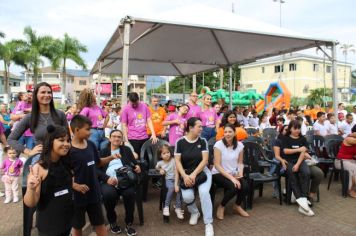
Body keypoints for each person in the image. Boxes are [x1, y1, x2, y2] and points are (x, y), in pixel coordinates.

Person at [24, 125, 73, 236]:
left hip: (67, 222)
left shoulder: (66, 162)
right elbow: (31, 203)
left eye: (68, 140)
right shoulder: (39, 168)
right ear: (50, 141)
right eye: (61, 140)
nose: (66, 144)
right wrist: (31, 188)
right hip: (49, 227)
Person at [69, 115, 108, 236]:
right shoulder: (68, 150)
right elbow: (62, 174)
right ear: (76, 130)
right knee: (77, 226)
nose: (90, 132)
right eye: (87, 129)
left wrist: (111, 157)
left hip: (94, 194)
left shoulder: (91, 145)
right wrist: (74, 185)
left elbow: (98, 162)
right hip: (77, 197)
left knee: (100, 224)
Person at [175, 117, 214, 236]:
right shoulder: (180, 142)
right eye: (199, 126)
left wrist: (193, 174)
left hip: (202, 172)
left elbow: (205, 161)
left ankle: (208, 223)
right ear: (191, 128)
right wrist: (185, 176)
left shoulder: (203, 141)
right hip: (186, 173)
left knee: (203, 193)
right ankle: (195, 212)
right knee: (187, 197)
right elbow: (177, 162)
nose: (202, 129)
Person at [8, 82, 68, 157]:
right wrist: (28, 151)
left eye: (49, 92)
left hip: (60, 159)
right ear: (36, 95)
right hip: (40, 159)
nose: (46, 95)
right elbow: (11, 139)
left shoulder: (60, 114)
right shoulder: (29, 117)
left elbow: (68, 137)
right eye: (43, 92)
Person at [99, 129, 140, 235]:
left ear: (122, 139)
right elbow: (97, 169)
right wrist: (106, 178)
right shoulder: (103, 151)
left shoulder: (126, 150)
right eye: (114, 136)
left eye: (119, 137)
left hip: (124, 180)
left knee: (130, 194)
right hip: (109, 180)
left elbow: (134, 163)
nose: (117, 138)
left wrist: (137, 167)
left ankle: (129, 223)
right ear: (110, 138)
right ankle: (112, 222)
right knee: (108, 195)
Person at [212, 124, 249, 220]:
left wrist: (239, 173)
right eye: (225, 132)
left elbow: (240, 163)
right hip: (218, 173)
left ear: (235, 133)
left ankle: (237, 205)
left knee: (244, 185)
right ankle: (222, 206)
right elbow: (217, 165)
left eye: (230, 132)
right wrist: (232, 178)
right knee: (234, 187)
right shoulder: (218, 145)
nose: (227, 134)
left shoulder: (240, 145)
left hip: (233, 172)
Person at [280, 120, 314, 216]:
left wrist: (298, 164)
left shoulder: (302, 139)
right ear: (290, 128)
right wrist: (299, 149)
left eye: (299, 128)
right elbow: (286, 151)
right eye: (295, 128)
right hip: (288, 161)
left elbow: (303, 153)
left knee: (306, 173)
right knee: (293, 176)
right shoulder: (285, 138)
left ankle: (304, 197)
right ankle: (300, 200)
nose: (297, 130)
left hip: (299, 160)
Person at [156, 144, 184, 219]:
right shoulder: (160, 163)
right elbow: (157, 167)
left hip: (176, 179)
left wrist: (176, 185)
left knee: (178, 190)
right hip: (168, 179)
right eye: (164, 153)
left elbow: (176, 172)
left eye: (168, 152)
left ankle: (178, 208)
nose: (166, 154)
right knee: (171, 188)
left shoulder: (174, 160)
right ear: (160, 156)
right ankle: (166, 206)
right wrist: (160, 169)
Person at [335, 125, 356, 198]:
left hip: (351, 161)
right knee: (354, 168)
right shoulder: (348, 139)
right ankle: (350, 190)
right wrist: (352, 134)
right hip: (341, 161)